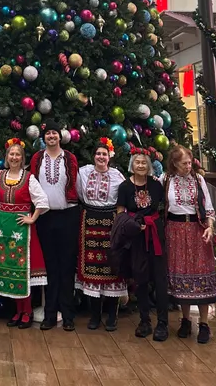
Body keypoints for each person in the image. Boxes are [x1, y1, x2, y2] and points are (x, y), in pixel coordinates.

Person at [163, 146, 216, 344]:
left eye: (190, 162)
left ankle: (204, 323)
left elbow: (209, 207)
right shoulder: (167, 180)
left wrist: (209, 227)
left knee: (201, 273)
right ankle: (185, 320)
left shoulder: (198, 179)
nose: (188, 166)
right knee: (181, 276)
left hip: (197, 229)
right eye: (184, 163)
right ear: (175, 164)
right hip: (175, 230)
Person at [0, 138, 48, 328]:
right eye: (11, 154)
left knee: (23, 271)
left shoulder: (29, 178)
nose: (14, 157)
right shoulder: (0, 177)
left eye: (17, 154)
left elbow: (42, 201)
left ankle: (27, 312)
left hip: (22, 231)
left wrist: (32, 218)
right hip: (4, 231)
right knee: (10, 271)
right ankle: (18, 310)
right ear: (6, 157)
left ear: (22, 158)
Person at [30, 120, 80, 331]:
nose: (51, 136)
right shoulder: (37, 158)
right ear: (44, 138)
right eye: (48, 133)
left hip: (68, 215)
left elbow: (75, 181)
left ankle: (68, 315)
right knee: (49, 266)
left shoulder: (69, 158)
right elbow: (32, 182)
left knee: (67, 266)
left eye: (54, 133)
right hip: (45, 217)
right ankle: (50, 315)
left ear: (60, 137)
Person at [115, 151, 169, 341]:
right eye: (137, 162)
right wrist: (132, 225)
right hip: (136, 237)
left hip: (155, 235)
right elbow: (120, 212)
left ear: (148, 166)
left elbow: (164, 208)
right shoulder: (125, 187)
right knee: (141, 278)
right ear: (132, 165)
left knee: (160, 278)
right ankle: (144, 320)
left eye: (143, 163)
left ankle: (163, 322)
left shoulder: (155, 185)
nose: (140, 166)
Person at [75, 138, 127, 331]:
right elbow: (79, 193)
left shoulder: (117, 176)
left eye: (104, 154)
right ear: (93, 156)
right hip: (89, 221)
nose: (100, 157)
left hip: (110, 224)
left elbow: (124, 198)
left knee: (112, 267)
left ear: (109, 157)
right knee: (90, 269)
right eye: (98, 154)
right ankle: (95, 315)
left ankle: (112, 315)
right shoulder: (84, 172)